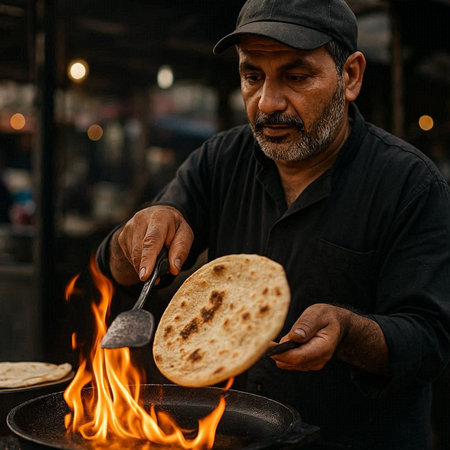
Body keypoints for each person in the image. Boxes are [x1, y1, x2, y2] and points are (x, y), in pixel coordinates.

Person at [96, 0, 450, 448]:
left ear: (351, 76)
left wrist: (348, 331)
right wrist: (134, 240)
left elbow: (430, 342)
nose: (268, 102)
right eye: (252, 76)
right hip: (238, 437)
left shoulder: (410, 185)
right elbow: (119, 272)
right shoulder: (219, 161)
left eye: (296, 77)